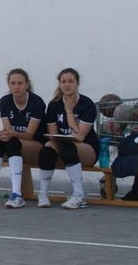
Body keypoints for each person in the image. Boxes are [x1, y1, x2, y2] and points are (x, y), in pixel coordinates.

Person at [0, 69, 46, 209]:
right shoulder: (5, 101)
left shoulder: (36, 102)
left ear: (27, 84)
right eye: (13, 83)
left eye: (20, 83)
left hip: (36, 144)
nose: (16, 87)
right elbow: (8, 131)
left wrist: (11, 134)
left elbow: (29, 134)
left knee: (13, 142)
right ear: (8, 85)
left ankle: (17, 194)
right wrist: (5, 134)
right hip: (16, 141)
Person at [36, 68, 100, 210]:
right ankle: (43, 194)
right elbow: (53, 135)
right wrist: (52, 140)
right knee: (46, 149)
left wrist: (69, 111)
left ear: (77, 83)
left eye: (71, 81)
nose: (67, 85)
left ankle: (79, 195)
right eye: (63, 82)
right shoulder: (54, 105)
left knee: (68, 147)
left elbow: (80, 136)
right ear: (59, 84)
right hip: (64, 146)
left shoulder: (87, 104)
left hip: (87, 148)